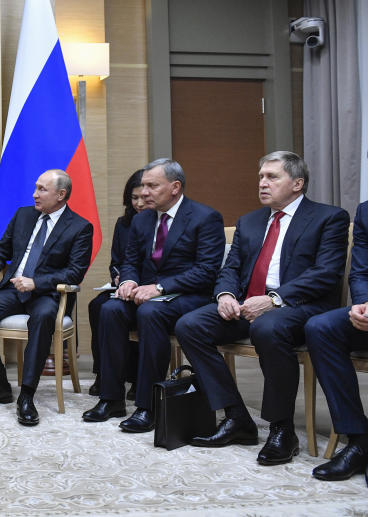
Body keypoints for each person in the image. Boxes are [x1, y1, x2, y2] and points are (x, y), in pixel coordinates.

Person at [176, 151, 348, 466]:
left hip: (300, 307)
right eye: (260, 177)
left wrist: (275, 299)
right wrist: (225, 295)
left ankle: (282, 429)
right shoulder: (250, 221)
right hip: (247, 305)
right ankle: (236, 416)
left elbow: (326, 273)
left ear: (297, 183)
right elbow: (230, 268)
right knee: (191, 324)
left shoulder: (329, 218)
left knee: (268, 327)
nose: (262, 183)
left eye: (272, 177)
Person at [83, 158, 225, 433]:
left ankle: (147, 405)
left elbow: (206, 272)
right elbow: (130, 260)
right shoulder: (142, 220)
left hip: (187, 296)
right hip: (145, 294)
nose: (144, 192)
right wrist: (129, 280)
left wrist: (159, 288)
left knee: (151, 312)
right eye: (143, 186)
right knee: (109, 309)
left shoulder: (205, 217)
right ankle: (110, 398)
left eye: (151, 186)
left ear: (174, 187)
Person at [0, 169, 93, 426]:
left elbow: (74, 272)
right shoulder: (24, 215)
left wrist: (36, 282)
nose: (35, 194)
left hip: (47, 293)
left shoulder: (80, 227)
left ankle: (27, 395)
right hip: (13, 287)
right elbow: (1, 249)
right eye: (36, 188)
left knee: (43, 316)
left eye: (42, 190)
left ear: (61, 194)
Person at [305, 200, 368, 480]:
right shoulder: (367, 211)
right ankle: (359, 439)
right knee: (322, 327)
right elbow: (361, 271)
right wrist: (363, 303)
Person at [88, 169, 149, 397]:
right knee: (97, 306)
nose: (139, 203)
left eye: (143, 198)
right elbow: (116, 261)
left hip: (149, 290)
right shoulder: (123, 224)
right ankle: (103, 373)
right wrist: (118, 276)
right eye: (134, 199)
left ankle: (135, 377)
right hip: (124, 286)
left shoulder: (160, 224)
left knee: (135, 313)